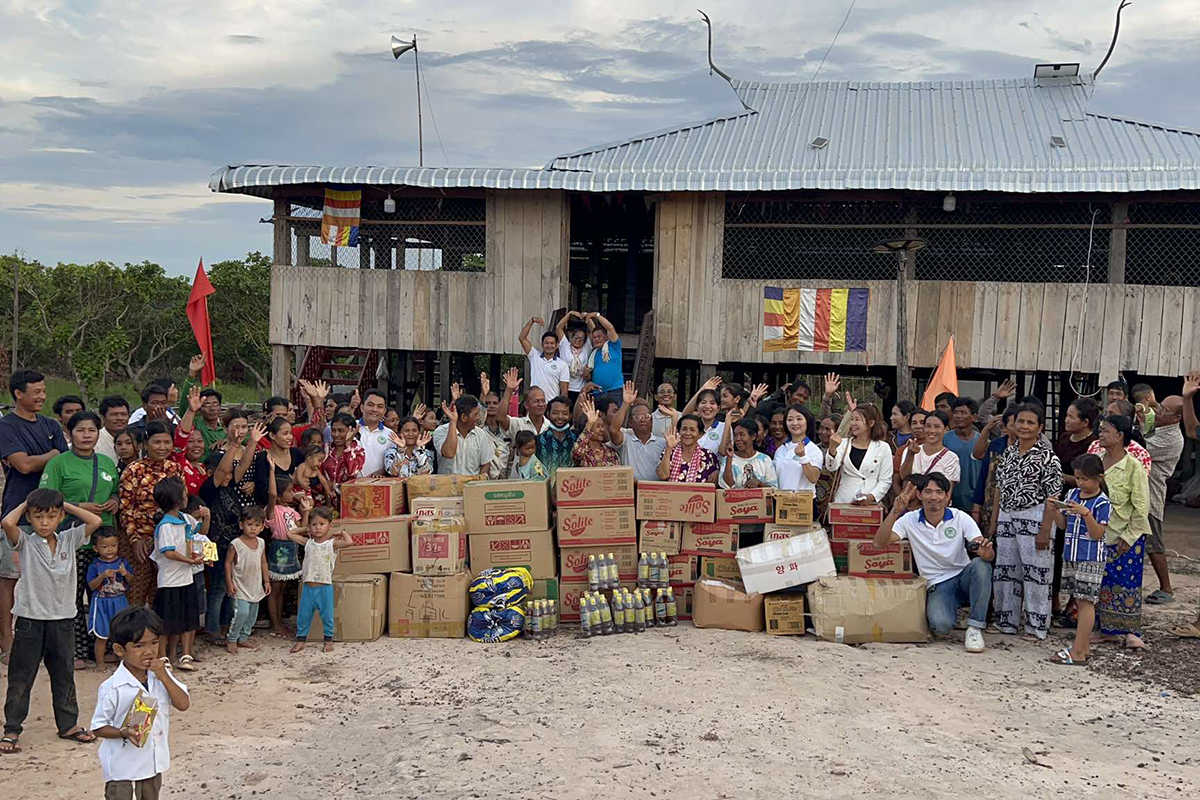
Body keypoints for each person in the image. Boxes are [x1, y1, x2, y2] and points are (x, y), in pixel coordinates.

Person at [0, 489, 102, 754]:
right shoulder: (26, 542)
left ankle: (68, 725)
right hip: (31, 620)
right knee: (21, 676)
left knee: (64, 673)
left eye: (51, 516)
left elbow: (95, 522)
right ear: (31, 519)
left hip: (64, 620)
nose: (44, 522)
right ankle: (12, 729)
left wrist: (65, 504)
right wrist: (27, 502)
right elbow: (8, 523)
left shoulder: (69, 538)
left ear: (60, 517)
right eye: (38, 517)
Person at [876, 474, 994, 652]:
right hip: (937, 584)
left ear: (947, 496)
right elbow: (879, 543)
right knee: (941, 627)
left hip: (963, 577)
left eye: (939, 492)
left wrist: (985, 553)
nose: (934, 497)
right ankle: (957, 612)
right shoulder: (910, 519)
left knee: (981, 566)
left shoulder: (960, 517)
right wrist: (895, 510)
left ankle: (975, 627)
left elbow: (987, 553)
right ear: (920, 495)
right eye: (928, 491)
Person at [40, 410, 120, 669]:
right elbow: (44, 499)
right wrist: (79, 505)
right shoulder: (59, 463)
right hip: (71, 538)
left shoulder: (107, 462)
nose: (87, 435)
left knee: (104, 593)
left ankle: (104, 646)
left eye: (92, 430)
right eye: (81, 430)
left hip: (104, 541)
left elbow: (117, 490)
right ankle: (75, 651)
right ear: (70, 433)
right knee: (72, 597)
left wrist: (115, 501)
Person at [0, 371, 70, 664]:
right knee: (10, 578)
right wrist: (51, 452)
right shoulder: (6, 427)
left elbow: (63, 460)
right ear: (18, 393)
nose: (42, 396)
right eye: (36, 391)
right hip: (19, 512)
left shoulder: (50, 425)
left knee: (49, 577)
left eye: (43, 391)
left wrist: (51, 455)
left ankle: (42, 639)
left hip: (52, 513)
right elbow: (24, 465)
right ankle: (6, 640)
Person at [90, 606, 190, 799]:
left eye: (153, 643)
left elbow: (183, 704)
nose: (148, 651)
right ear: (119, 650)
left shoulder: (160, 676)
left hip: (152, 762)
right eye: (139, 646)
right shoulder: (112, 687)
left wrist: (164, 676)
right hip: (122, 767)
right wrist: (122, 732)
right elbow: (98, 727)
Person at [990, 404, 1063, 640]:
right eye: (1020, 421)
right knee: (1006, 572)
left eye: (1031, 422)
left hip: (1035, 517)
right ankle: (1007, 621)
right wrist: (994, 524)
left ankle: (1036, 626)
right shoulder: (1008, 454)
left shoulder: (1048, 457)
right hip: (1007, 517)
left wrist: (1044, 530)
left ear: (1040, 427)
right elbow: (999, 490)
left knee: (1036, 575)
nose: (1024, 426)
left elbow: (1054, 498)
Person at [196, 413, 262, 645]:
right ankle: (213, 630)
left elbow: (239, 466)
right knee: (217, 587)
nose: (225, 475)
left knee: (229, 587)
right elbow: (223, 470)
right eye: (220, 472)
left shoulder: (232, 484)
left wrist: (251, 443)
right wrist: (233, 445)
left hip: (232, 541)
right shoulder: (210, 488)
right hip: (214, 542)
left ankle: (226, 627)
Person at [1047, 454, 1110, 666]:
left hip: (1090, 557)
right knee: (1080, 600)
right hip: (1071, 554)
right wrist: (1056, 510)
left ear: (1099, 478)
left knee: (1085, 602)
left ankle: (1078, 651)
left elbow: (1098, 534)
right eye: (1078, 478)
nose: (1081, 483)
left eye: (1085, 479)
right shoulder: (1073, 493)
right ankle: (1083, 647)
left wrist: (1086, 514)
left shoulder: (1102, 502)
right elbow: (1063, 526)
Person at [1095, 415, 1150, 650]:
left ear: (1120, 436)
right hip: (1099, 534)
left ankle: (1129, 631)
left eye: (1106, 431)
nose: (1101, 434)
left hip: (1127, 535)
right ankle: (1105, 630)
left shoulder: (1133, 466)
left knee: (1126, 585)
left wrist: (1129, 537)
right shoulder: (1096, 461)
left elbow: (1141, 506)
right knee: (1100, 584)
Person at [119, 420, 182, 608]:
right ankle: (132, 634)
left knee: (161, 590)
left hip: (168, 539)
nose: (162, 447)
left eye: (167, 442)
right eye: (157, 442)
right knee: (136, 590)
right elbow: (126, 507)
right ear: (146, 444)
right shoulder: (134, 470)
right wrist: (135, 539)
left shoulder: (175, 469)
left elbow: (181, 503)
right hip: (140, 539)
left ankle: (156, 635)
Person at [149, 477, 208, 671]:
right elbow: (169, 551)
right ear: (176, 499)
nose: (186, 496)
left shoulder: (185, 519)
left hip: (186, 578)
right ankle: (164, 656)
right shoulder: (166, 525)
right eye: (183, 493)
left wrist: (205, 517)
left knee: (188, 619)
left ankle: (185, 654)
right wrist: (190, 561)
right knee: (167, 621)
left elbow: (201, 532)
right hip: (169, 580)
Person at [1051, 397, 1100, 622]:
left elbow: (1089, 479)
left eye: (1072, 416)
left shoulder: (1093, 444)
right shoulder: (1063, 439)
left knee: (1077, 554)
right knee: (1059, 550)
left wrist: (1063, 478)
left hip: (1082, 501)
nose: (1066, 420)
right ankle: (1054, 601)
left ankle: (1074, 605)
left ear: (1086, 421)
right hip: (1062, 500)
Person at [1135, 387, 1185, 605]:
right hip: (1139, 493)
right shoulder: (1159, 426)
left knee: (1154, 543)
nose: (1158, 411)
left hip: (1150, 496)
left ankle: (1166, 588)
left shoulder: (1173, 439)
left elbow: (1140, 448)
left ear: (1177, 417)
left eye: (1164, 409)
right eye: (1159, 406)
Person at [287, 507, 353, 654]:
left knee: (327, 616)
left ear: (330, 525)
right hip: (308, 588)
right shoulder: (308, 543)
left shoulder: (332, 544)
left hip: (325, 587)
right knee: (303, 616)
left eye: (322, 524)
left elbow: (349, 542)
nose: (318, 527)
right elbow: (290, 533)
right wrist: (306, 528)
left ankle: (328, 641)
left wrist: (341, 532)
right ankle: (301, 641)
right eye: (314, 524)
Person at [265, 474, 309, 637]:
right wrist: (271, 471)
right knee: (275, 587)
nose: (292, 494)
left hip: (292, 547)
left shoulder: (292, 511)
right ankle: (275, 624)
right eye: (289, 491)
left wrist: (305, 512)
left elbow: (303, 529)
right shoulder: (272, 510)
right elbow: (272, 495)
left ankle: (279, 622)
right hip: (280, 549)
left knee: (282, 588)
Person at [824, 404, 894, 506]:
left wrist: (871, 497)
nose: (853, 423)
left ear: (871, 423)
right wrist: (832, 448)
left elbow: (885, 480)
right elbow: (831, 467)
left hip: (869, 504)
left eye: (857, 419)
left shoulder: (883, 447)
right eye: (851, 419)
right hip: (844, 500)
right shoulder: (843, 443)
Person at [223, 506, 270, 655]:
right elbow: (228, 563)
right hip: (240, 586)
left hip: (255, 585)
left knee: (251, 615)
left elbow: (263, 561)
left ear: (262, 527)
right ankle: (232, 638)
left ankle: (243, 637)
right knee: (241, 612)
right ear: (241, 524)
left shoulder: (261, 542)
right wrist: (229, 583)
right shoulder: (235, 544)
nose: (253, 528)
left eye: (257, 525)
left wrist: (266, 581)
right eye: (249, 525)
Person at [85, 529, 131, 673]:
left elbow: (131, 580)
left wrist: (126, 573)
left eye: (113, 546)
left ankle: (123, 662)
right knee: (101, 635)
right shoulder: (95, 565)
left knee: (122, 633)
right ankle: (100, 663)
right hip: (102, 602)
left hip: (120, 600)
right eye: (104, 547)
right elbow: (91, 585)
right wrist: (102, 576)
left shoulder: (123, 562)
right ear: (95, 548)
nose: (109, 550)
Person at [610, 382, 667, 482]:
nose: (643, 419)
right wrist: (626, 403)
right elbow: (613, 430)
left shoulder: (663, 443)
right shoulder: (626, 441)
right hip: (631, 490)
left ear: (652, 420)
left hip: (657, 492)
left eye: (647, 416)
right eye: (638, 417)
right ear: (631, 422)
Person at [900, 410, 960, 496]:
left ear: (946, 429)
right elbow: (904, 477)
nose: (932, 431)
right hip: (911, 505)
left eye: (937, 426)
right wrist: (910, 455)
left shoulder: (951, 458)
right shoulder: (910, 450)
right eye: (928, 426)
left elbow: (947, 493)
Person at [176, 355, 226, 456]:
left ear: (220, 407)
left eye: (215, 404)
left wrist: (227, 440)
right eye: (207, 404)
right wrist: (192, 374)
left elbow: (247, 436)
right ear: (200, 408)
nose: (212, 408)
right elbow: (185, 408)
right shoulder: (196, 424)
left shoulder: (226, 429)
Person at [434, 395, 493, 476]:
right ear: (464, 417)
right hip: (447, 486)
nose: (479, 418)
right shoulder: (441, 431)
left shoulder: (481, 435)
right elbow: (449, 453)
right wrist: (453, 422)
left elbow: (486, 464)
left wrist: (479, 483)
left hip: (472, 486)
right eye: (476, 414)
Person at [1087, 399, 1152, 471]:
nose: (1106, 418)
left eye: (1112, 414)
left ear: (1126, 419)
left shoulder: (1139, 453)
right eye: (1106, 413)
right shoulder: (1095, 445)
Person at [252, 418, 305, 507]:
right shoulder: (263, 458)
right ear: (272, 435)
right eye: (285, 433)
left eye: (290, 433)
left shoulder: (297, 453)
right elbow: (261, 492)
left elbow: (311, 477)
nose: (290, 437)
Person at [772, 404, 822, 493]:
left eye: (799, 419)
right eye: (790, 419)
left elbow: (814, 478)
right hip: (782, 501)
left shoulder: (813, 449)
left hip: (804, 502)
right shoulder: (781, 450)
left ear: (807, 421)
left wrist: (803, 457)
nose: (794, 423)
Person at [657, 414, 720, 483]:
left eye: (692, 430)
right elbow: (663, 476)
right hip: (672, 493)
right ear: (679, 432)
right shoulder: (669, 452)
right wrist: (669, 448)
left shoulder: (709, 456)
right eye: (684, 429)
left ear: (700, 434)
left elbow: (714, 483)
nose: (687, 433)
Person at [720, 414, 778, 489]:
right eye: (735, 435)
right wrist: (729, 458)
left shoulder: (765, 460)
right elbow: (728, 486)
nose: (737, 439)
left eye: (742, 435)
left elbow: (774, 489)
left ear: (753, 436)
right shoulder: (728, 459)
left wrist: (759, 483)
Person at [944, 398, 981, 512]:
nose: (958, 416)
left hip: (975, 502)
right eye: (956, 412)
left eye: (963, 412)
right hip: (949, 500)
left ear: (974, 417)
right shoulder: (944, 439)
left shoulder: (982, 441)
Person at [520, 316, 569, 402]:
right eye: (546, 343)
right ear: (542, 345)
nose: (549, 346)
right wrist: (532, 321)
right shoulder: (534, 356)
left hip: (551, 405)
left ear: (556, 345)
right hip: (534, 403)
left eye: (552, 343)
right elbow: (522, 338)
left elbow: (564, 391)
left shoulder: (562, 365)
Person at [171, 385, 209, 497]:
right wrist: (191, 411)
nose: (196, 445)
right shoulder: (178, 462)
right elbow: (182, 435)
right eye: (191, 441)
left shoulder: (204, 468)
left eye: (200, 441)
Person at [536, 396, 578, 484]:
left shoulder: (577, 438)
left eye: (565, 413)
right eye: (555, 413)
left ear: (570, 415)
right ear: (548, 414)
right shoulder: (538, 440)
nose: (560, 417)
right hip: (545, 493)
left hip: (573, 491)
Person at [322, 413, 366, 496]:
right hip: (326, 500)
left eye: (341, 430)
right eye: (333, 430)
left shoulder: (359, 451)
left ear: (352, 431)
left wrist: (348, 444)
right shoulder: (326, 449)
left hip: (349, 500)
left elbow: (351, 471)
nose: (336, 434)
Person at [571, 395, 620, 468]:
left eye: (602, 426)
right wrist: (590, 423)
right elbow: (577, 453)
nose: (602, 429)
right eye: (598, 426)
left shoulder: (611, 452)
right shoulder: (583, 452)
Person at [585, 312, 624, 400]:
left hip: (615, 391)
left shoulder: (613, 346)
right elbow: (593, 330)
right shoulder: (594, 353)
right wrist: (587, 319)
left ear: (606, 337)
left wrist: (597, 315)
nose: (597, 339)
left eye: (599, 337)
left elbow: (610, 328)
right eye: (594, 338)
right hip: (598, 392)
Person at [557, 312, 593, 403]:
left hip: (581, 388)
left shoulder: (587, 347)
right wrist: (570, 314)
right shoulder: (565, 345)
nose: (578, 340)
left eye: (581, 339)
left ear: (585, 341)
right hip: (565, 387)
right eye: (576, 337)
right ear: (571, 337)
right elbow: (558, 328)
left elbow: (594, 331)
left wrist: (588, 318)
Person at [681, 377, 724, 453]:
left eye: (712, 403)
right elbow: (685, 415)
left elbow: (723, 452)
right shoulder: (693, 426)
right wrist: (702, 389)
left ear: (718, 408)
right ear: (697, 407)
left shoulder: (724, 427)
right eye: (703, 402)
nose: (707, 406)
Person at [355, 388, 392, 478]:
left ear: (384, 411)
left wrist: (382, 471)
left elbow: (392, 461)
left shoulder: (390, 435)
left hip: (376, 487)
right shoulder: (352, 427)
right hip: (349, 486)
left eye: (380, 406)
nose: (375, 409)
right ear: (362, 407)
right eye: (370, 405)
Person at [95, 395, 131, 464]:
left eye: (124, 414)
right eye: (114, 414)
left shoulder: (135, 439)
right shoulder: (95, 441)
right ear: (103, 417)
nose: (120, 418)